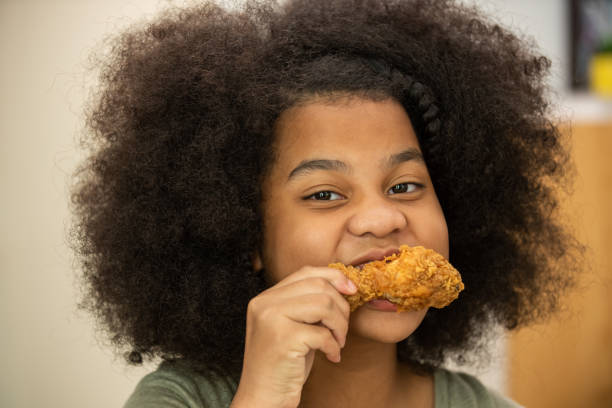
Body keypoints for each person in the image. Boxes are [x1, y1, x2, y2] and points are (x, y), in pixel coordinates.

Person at [71, 0, 583, 406]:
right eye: (324, 194)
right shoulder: (181, 399)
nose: (384, 218)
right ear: (246, 235)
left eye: (405, 185)